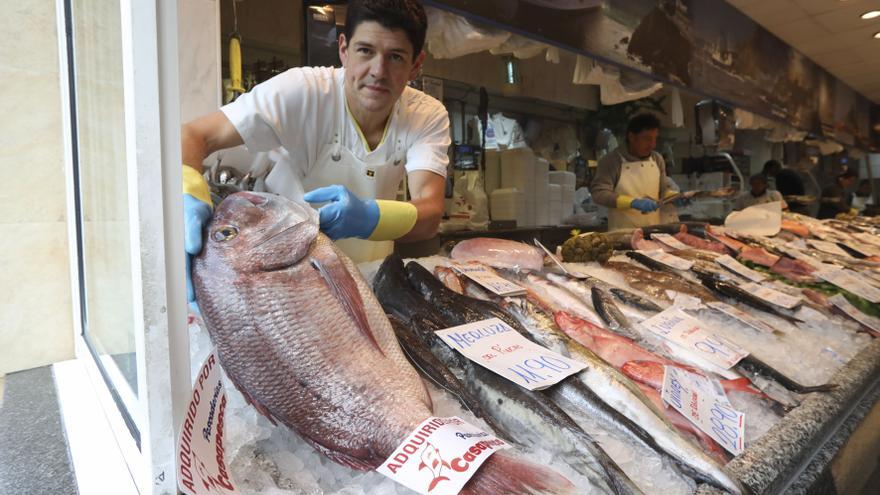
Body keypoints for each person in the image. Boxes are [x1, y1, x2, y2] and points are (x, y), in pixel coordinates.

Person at [182, 0, 450, 309]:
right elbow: (192, 135)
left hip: (374, 286)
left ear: (416, 64)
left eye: (395, 57)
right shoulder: (301, 91)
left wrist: (369, 218)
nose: (378, 71)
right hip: (285, 283)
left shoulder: (427, 115)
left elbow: (430, 214)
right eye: (365, 51)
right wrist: (188, 194)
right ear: (343, 49)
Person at [589, 113, 679, 229]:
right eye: (647, 139)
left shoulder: (657, 159)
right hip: (623, 233)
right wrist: (632, 202)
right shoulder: (611, 161)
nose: (652, 144)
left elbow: (663, 188)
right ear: (631, 137)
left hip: (655, 230)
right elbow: (599, 193)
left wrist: (671, 196)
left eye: (655, 139)